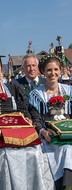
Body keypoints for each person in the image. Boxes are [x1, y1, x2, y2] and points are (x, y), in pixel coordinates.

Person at [0, 46, 54, 190]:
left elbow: (23, 110)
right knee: (4, 154)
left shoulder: (13, 89)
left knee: (35, 149)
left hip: (16, 132)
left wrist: (27, 119)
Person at [28, 55, 72, 190]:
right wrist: (43, 132)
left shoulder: (69, 91)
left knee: (68, 149)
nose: (53, 73)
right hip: (48, 136)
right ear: (43, 71)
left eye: (56, 70)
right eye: (49, 70)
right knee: (63, 150)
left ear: (60, 70)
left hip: (68, 134)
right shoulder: (36, 95)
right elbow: (36, 119)